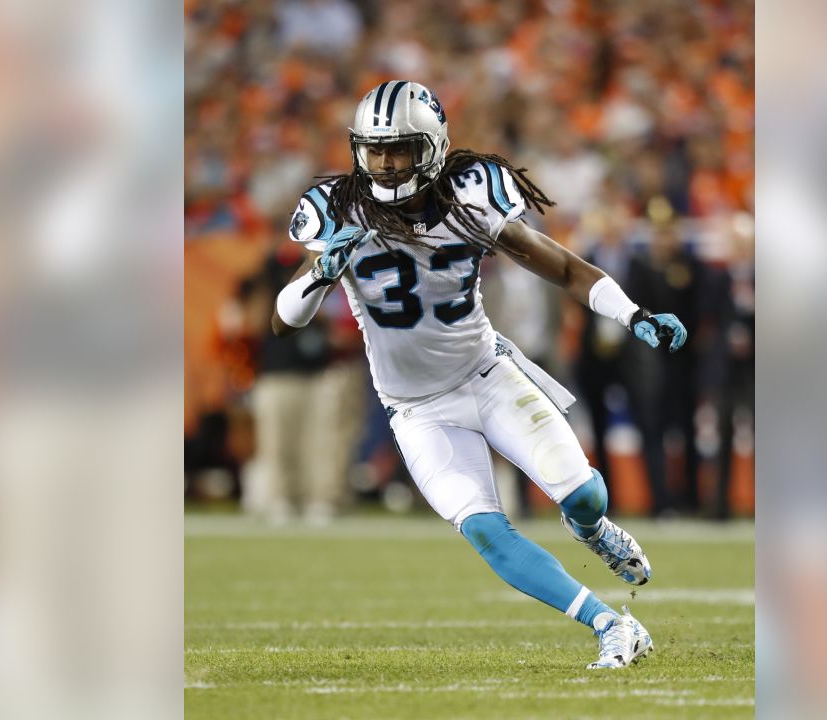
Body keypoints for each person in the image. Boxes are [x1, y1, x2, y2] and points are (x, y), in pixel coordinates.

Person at [271, 80, 687, 669]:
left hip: (487, 376)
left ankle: (592, 528)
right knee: (488, 531)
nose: (386, 165)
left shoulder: (471, 196)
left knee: (586, 493)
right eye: (375, 150)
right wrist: (317, 277)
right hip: (417, 409)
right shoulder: (337, 210)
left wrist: (632, 312)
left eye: (401, 150)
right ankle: (611, 626)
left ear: (434, 148)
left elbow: (564, 267)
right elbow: (283, 322)